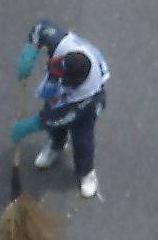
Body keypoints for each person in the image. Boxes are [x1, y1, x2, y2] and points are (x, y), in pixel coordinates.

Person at [11, 18, 110, 198]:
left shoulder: (85, 92)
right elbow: (41, 28)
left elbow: (57, 117)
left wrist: (30, 125)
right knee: (56, 129)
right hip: (62, 97)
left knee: (82, 139)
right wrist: (30, 51)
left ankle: (86, 172)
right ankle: (56, 146)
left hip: (86, 107)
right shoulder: (64, 45)